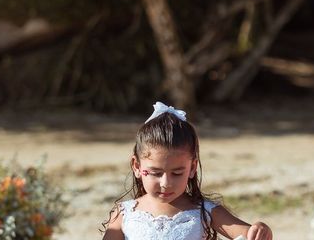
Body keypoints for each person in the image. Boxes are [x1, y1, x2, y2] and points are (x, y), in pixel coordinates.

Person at [102, 102, 273, 240]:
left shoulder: (205, 211)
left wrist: (262, 230)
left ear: (192, 168)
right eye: (155, 173)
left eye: (177, 173)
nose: (166, 183)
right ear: (137, 167)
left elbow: (251, 235)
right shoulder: (125, 213)